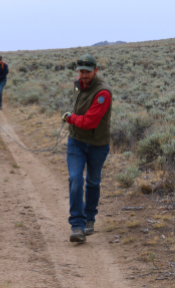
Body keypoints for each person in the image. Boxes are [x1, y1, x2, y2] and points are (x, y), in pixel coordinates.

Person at [62, 54, 112, 243]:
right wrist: (72, 118)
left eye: (87, 72)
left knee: (92, 182)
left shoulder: (103, 93)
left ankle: (89, 218)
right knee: (75, 179)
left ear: (95, 71)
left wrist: (69, 118)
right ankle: (77, 226)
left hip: (98, 144)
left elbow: (90, 122)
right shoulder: (77, 84)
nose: (83, 75)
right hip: (76, 141)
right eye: (81, 71)